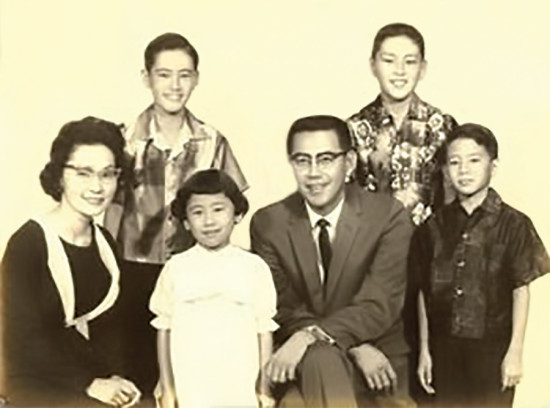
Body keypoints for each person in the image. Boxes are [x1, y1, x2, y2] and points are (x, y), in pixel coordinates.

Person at [104, 32, 248, 395]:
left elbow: (229, 206)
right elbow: (111, 213)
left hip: (195, 268)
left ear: (196, 78)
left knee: (191, 373)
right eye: (164, 74)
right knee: (137, 372)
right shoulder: (123, 140)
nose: (175, 84)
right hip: (134, 270)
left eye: (185, 74)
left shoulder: (212, 141)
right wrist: (109, 273)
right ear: (146, 78)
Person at [250, 115, 414, 407]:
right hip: (306, 363)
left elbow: (379, 302)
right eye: (302, 160)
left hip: (377, 361)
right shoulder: (269, 223)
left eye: (325, 159)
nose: (313, 173)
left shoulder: (388, 215)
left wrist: (311, 335)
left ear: (349, 163)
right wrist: (346, 345)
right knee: (319, 361)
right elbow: (281, 304)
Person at [1, 117, 141, 407]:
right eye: (83, 173)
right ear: (59, 175)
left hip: (86, 376)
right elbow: (22, 338)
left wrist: (116, 378)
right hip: (34, 379)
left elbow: (110, 328)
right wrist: (89, 384)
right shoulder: (28, 244)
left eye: (107, 174)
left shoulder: (104, 242)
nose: (97, 187)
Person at [412, 124, 550, 407]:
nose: (464, 170)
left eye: (474, 160)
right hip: (444, 350)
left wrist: (515, 352)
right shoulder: (432, 227)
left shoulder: (514, 224)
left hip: (492, 351)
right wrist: (425, 351)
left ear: (493, 166)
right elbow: (424, 293)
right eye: (454, 162)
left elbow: (520, 290)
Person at [149, 169, 277, 408]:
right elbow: (164, 329)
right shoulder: (176, 268)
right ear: (186, 222)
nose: (208, 221)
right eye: (197, 212)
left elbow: (264, 331)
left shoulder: (254, 267)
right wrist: (167, 388)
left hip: (239, 383)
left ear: (237, 214)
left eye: (218, 209)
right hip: (191, 383)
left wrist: (264, 388)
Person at [348, 23, 457, 226]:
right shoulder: (354, 129)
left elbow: (456, 198)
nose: (400, 71)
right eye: (389, 60)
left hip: (431, 250)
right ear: (373, 65)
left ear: (422, 68)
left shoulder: (443, 127)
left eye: (410, 62)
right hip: (372, 252)